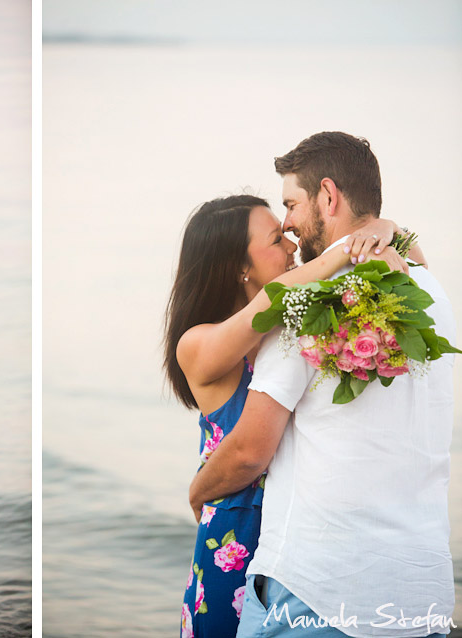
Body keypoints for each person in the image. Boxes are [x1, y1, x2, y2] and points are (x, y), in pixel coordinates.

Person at [189, 132, 456, 638]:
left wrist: (197, 491)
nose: (288, 224)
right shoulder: (430, 290)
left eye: (291, 203)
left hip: (317, 595)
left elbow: (248, 452)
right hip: (421, 595)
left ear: (328, 196)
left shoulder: (307, 306)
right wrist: (387, 229)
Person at [164, 189, 416, 636]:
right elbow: (266, 305)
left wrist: (384, 230)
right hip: (237, 531)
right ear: (238, 266)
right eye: (277, 238)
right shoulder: (200, 342)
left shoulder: (293, 318)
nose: (292, 244)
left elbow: (416, 263)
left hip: (297, 527)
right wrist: (350, 244)